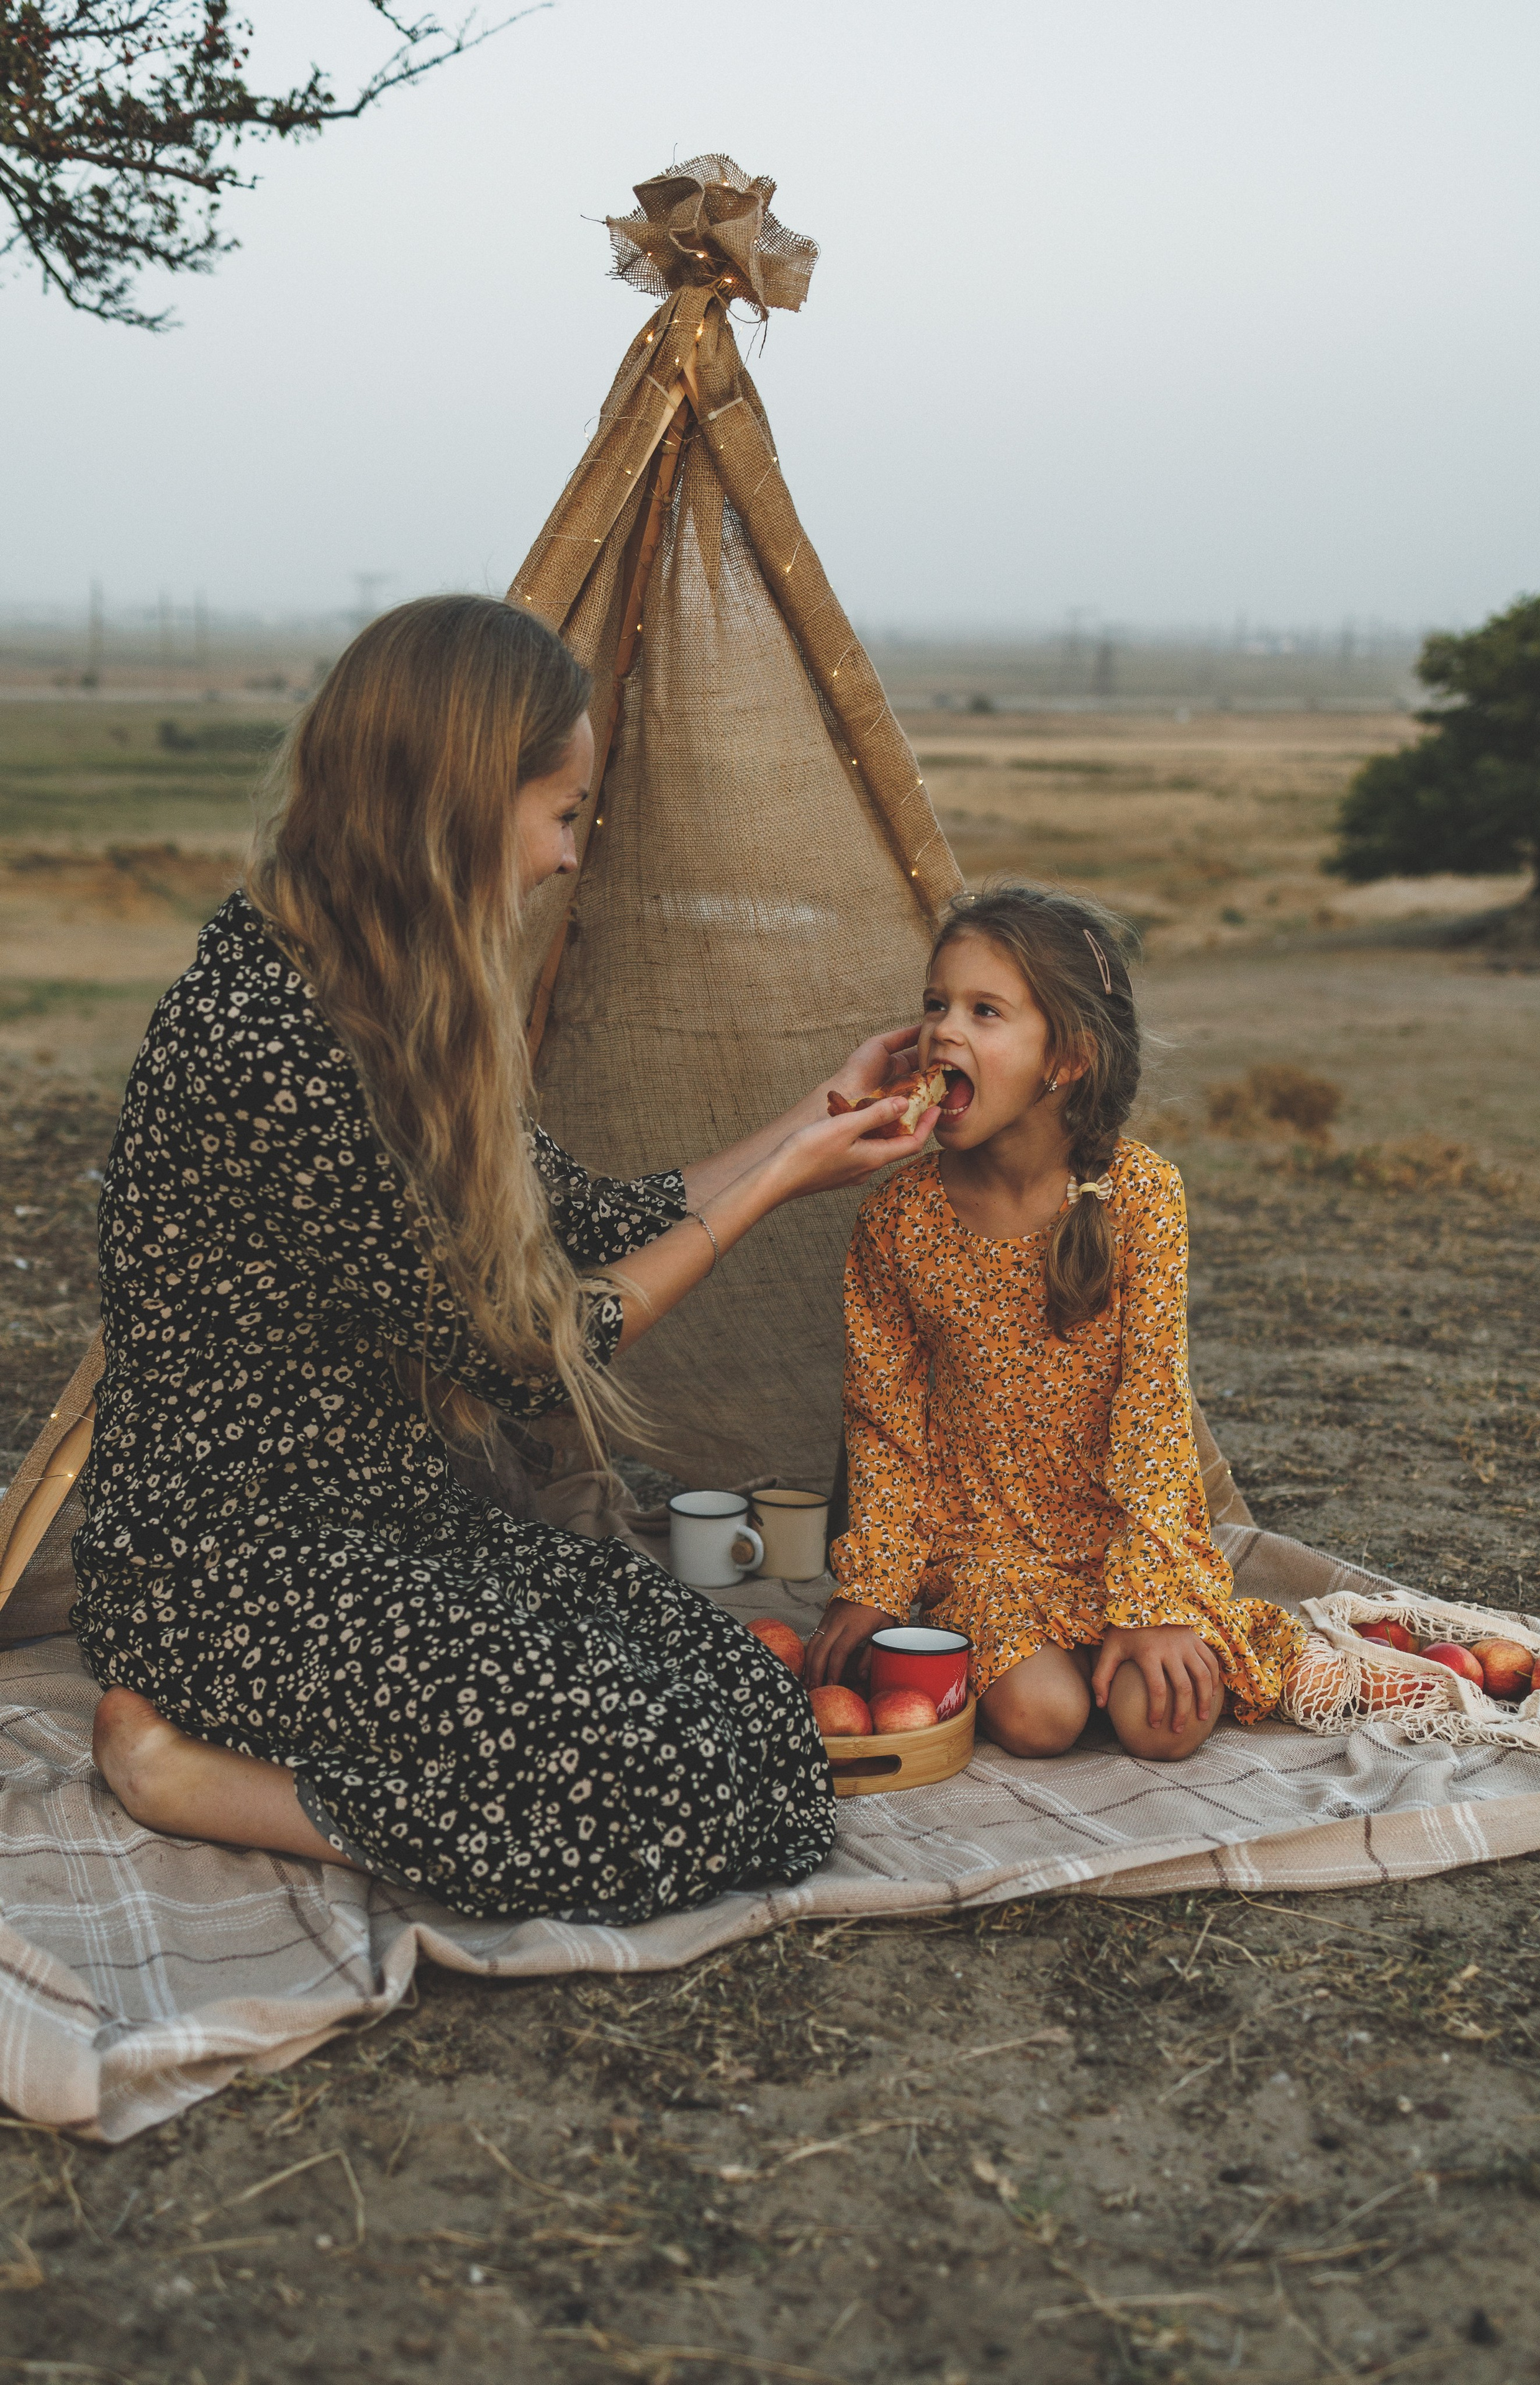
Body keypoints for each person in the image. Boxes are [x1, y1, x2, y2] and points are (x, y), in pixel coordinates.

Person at [84, 594, 941, 1923]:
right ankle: (187, 1781)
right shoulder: (264, 1039)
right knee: (654, 1786)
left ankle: (296, 1774)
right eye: (560, 814)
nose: (562, 858)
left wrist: (808, 1125)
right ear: (459, 804)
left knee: (762, 1738)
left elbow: (579, 1217)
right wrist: (771, 1188)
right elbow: (528, 1354)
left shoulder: (405, 1004)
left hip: (396, 1523)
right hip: (235, 1566)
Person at [805, 884, 1305, 1759]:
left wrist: (1152, 1600)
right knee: (1045, 1720)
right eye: (935, 1005)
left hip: (1115, 1536)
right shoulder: (896, 1220)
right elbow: (883, 1424)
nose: (941, 1032)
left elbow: (1155, 1408)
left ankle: (1135, 1635)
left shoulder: (1141, 1198)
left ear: (1065, 1060)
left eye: (984, 1011)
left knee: (1166, 1725)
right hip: (982, 1548)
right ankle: (1066, 1661)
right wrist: (878, 1582)